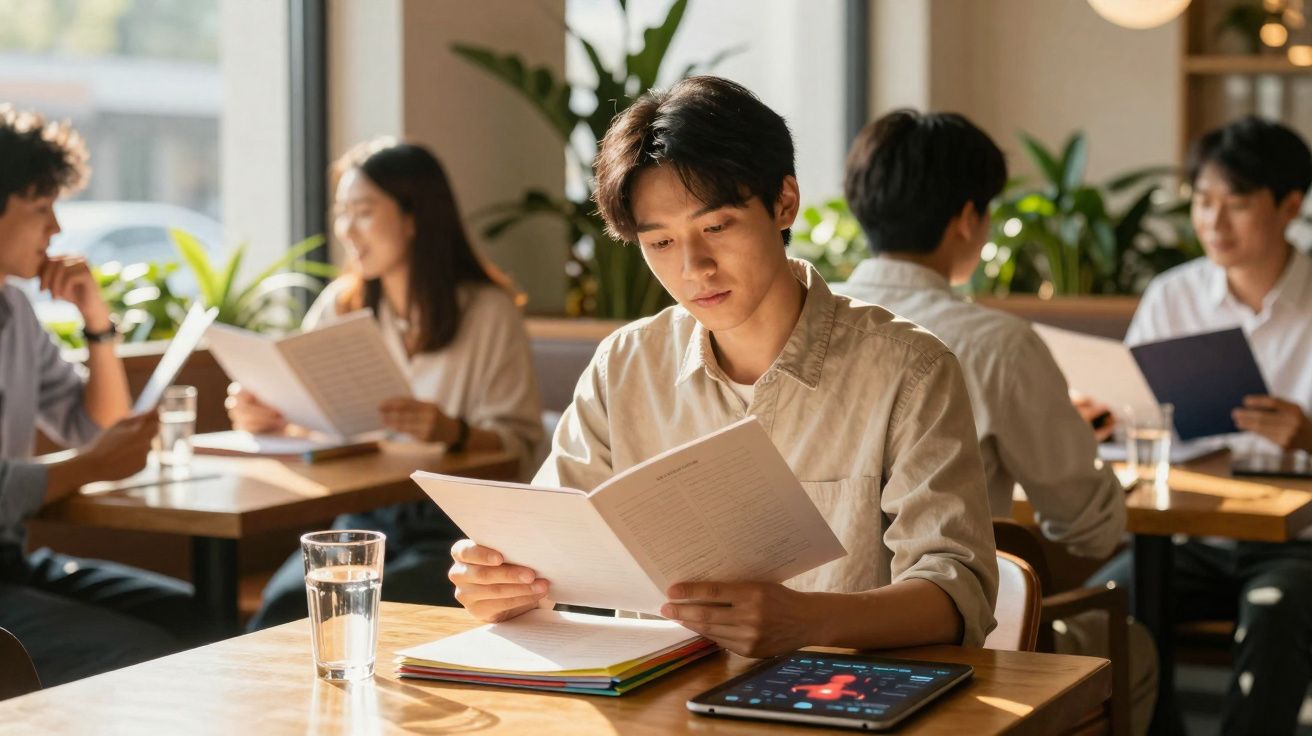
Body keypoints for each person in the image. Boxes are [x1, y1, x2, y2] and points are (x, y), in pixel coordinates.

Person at [446, 76, 998, 655]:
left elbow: (957, 591)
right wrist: (500, 582)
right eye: (661, 243)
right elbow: (542, 554)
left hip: (834, 691)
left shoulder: (909, 370)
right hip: (652, 691)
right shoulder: (626, 366)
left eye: (715, 227)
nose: (695, 268)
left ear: (784, 202)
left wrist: (810, 621)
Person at [833, 109, 1155, 734]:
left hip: (805, 643)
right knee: (1134, 648)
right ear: (966, 218)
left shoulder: (804, 324)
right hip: (958, 649)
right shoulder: (996, 345)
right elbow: (1087, 526)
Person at [241, 139, 543, 630]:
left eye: (363, 212)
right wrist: (271, 416)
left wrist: (452, 431)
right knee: (284, 609)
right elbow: (314, 417)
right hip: (362, 516)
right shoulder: (341, 306)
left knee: (349, 611)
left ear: (413, 218)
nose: (346, 229)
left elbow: (523, 447)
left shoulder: (488, 312)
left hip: (453, 529)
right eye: (342, 214)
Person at [1091, 116, 1312, 735]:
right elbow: (1133, 413)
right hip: (1187, 538)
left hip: (1298, 544)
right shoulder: (1173, 296)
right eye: (1203, 201)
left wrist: (1309, 438)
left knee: (1276, 616)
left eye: (1236, 204)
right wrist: (1103, 419)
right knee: (1102, 613)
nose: (1214, 222)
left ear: (1290, 204)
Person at [0, 105, 209, 686]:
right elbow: (95, 453)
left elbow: (97, 429)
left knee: (202, 618)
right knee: (144, 653)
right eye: (40, 208)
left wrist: (97, 321)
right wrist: (89, 465)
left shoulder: (15, 314)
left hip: (13, 565)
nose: (55, 229)